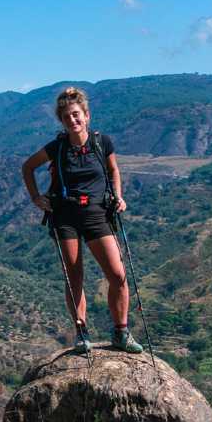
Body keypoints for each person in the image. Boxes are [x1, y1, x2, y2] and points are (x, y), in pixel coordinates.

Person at [20, 87, 143, 354]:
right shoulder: (57, 147)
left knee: (118, 275)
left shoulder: (102, 143)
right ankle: (81, 332)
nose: (72, 120)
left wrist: (118, 197)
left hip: (98, 215)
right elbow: (28, 167)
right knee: (74, 277)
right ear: (62, 122)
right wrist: (35, 197)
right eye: (66, 117)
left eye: (76, 115)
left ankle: (121, 332)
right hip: (65, 217)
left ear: (86, 116)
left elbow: (113, 171)